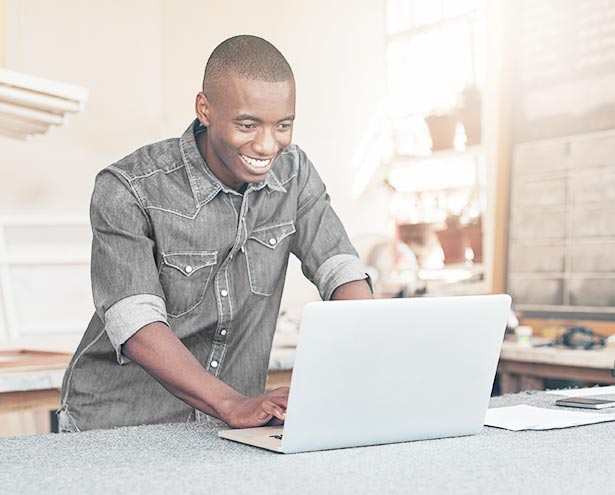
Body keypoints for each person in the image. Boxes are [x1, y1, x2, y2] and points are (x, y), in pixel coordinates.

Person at [59, 35, 372, 432]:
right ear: (204, 109)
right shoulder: (129, 187)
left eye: (283, 125)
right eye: (247, 124)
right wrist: (232, 403)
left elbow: (340, 271)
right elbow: (135, 325)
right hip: (120, 424)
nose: (266, 145)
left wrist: (365, 356)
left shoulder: (293, 174)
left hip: (231, 429)